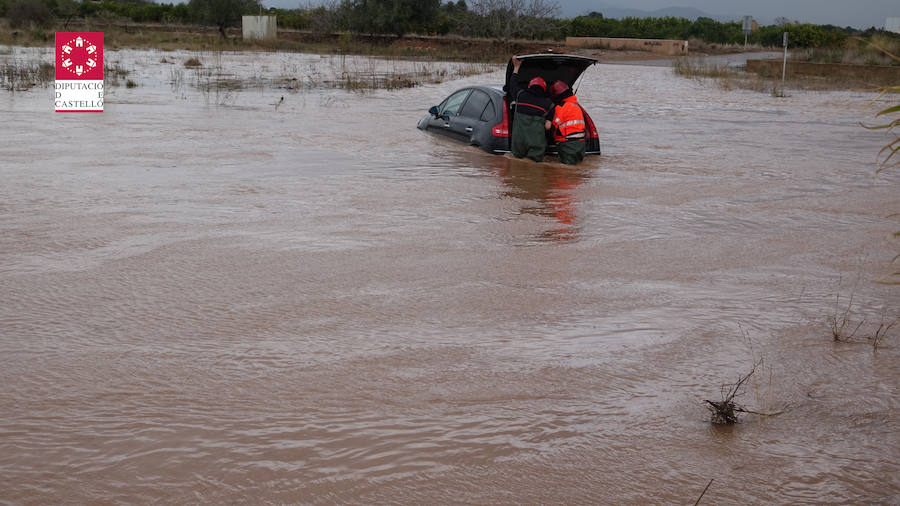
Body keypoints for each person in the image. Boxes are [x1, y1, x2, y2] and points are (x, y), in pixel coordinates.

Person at [509, 55, 554, 162]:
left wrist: (516, 67)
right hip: (536, 145)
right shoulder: (549, 104)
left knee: (516, 169)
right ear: (544, 89)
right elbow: (548, 126)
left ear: (529, 86)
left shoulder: (520, 95)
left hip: (518, 143)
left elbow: (512, 84)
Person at [548, 80, 586, 165]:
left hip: (568, 145)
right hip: (581, 144)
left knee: (565, 175)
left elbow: (552, 127)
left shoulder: (560, 107)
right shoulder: (576, 106)